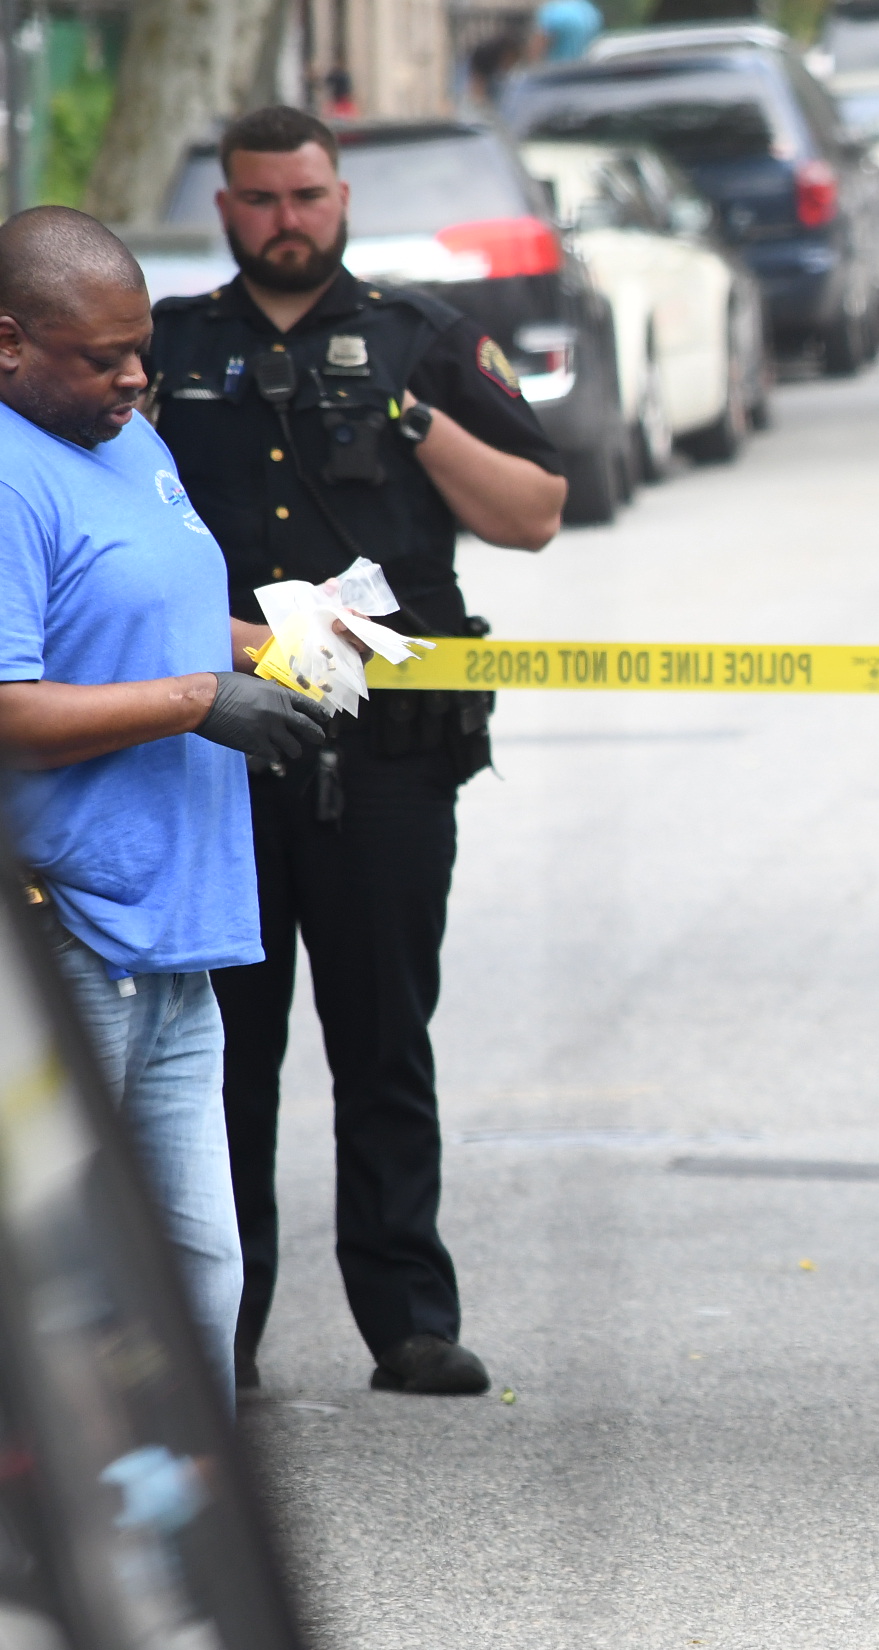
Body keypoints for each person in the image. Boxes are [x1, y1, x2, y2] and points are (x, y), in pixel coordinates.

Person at [147, 106, 567, 1398]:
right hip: (219, 743)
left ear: (343, 198)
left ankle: (410, 1318)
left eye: (309, 196)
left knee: (386, 1035)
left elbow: (536, 514)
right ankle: (227, 1324)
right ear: (226, 208)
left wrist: (402, 415)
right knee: (233, 1043)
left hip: (385, 747)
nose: (288, 221)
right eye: (262, 199)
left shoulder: (422, 338)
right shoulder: (165, 350)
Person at [0, 206, 331, 1406]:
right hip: (67, 932)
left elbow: (161, 613)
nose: (138, 376)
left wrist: (288, 644)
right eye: (105, 356)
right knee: (66, 1284)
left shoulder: (127, 436)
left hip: (176, 935)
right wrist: (201, 699)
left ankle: (182, 1547)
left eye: (143, 350)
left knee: (200, 1270)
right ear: (8, 343)